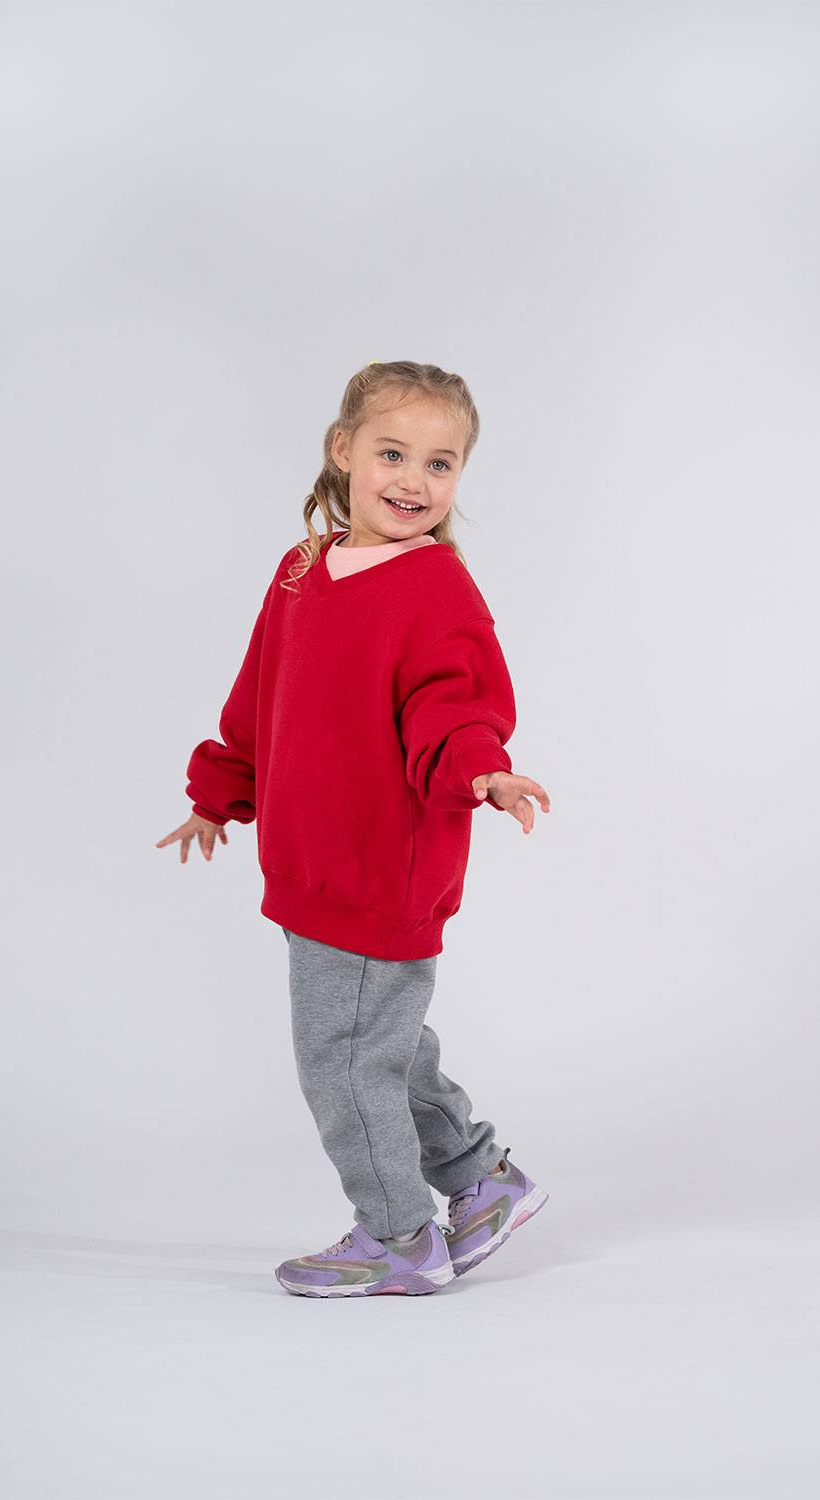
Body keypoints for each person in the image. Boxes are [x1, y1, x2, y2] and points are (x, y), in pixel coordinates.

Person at [156, 359, 551, 1298]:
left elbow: (456, 707)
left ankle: (399, 1237)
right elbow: (262, 695)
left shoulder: (436, 589)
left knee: (343, 1060)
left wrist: (482, 771)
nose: (414, 481)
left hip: (380, 870)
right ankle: (482, 1178)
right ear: (344, 451)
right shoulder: (302, 570)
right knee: (383, 1042)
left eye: (440, 464)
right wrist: (220, 790)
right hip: (310, 862)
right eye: (392, 454)